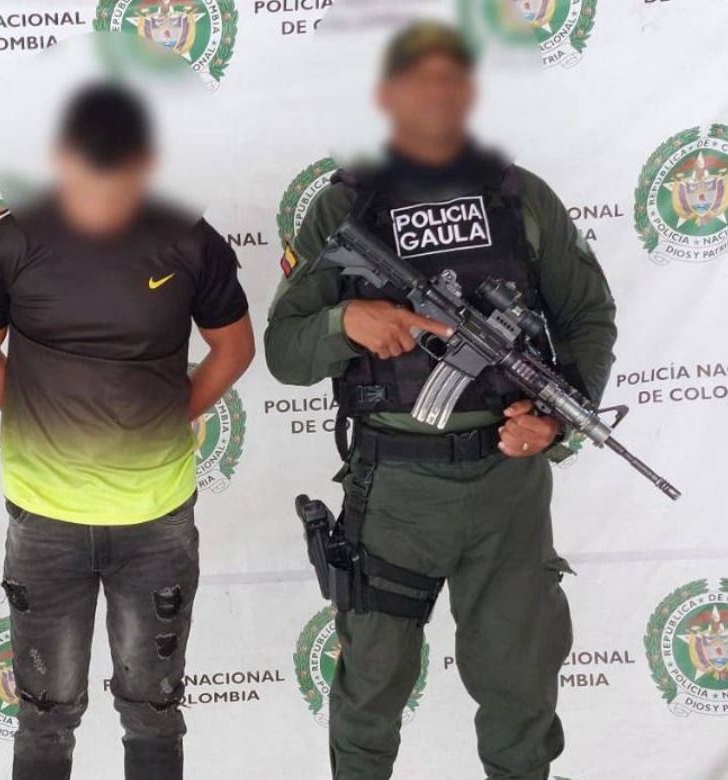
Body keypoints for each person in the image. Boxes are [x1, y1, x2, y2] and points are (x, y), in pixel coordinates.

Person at [264, 21, 617, 780]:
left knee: (521, 685)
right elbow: (285, 353)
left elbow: (588, 317)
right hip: (394, 489)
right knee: (372, 687)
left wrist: (555, 422)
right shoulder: (343, 208)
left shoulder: (521, 199)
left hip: (507, 488)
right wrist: (346, 322)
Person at [0, 83, 255, 780]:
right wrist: (38, 418)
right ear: (60, 156)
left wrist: (169, 415)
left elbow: (235, 349)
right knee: (45, 713)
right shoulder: (3, 243)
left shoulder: (190, 241)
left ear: (146, 161)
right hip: (45, 518)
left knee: (153, 710)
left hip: (157, 517)